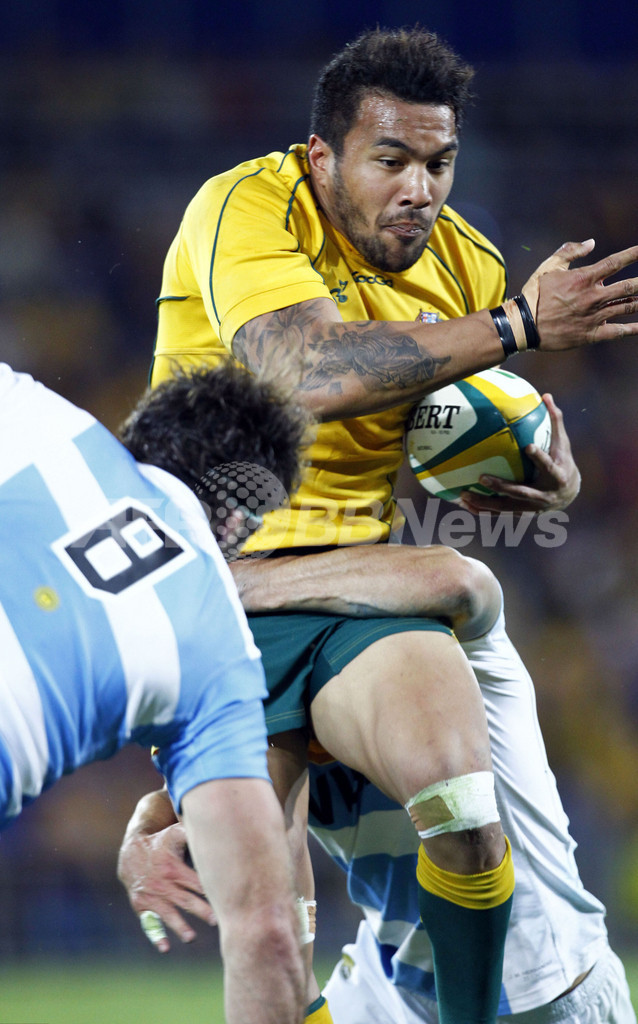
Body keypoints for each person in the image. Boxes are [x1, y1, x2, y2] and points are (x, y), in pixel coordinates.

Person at [145, 25, 638, 1024]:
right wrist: (516, 325)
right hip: (222, 609)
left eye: (439, 163)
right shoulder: (247, 207)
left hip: (356, 593)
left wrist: (542, 475)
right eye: (391, 160)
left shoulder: (468, 265)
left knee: (459, 807)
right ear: (322, 157)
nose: (420, 189)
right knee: (268, 933)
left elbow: (468, 426)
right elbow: (301, 371)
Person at [117, 568, 637, 1023]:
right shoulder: (252, 681)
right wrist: (143, 828)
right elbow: (202, 794)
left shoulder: (425, 617)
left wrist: (246, 583)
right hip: (391, 981)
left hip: (540, 984)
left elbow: (466, 581)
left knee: (457, 809)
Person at [0, 359, 309, 1024]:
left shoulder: (36, 417)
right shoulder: (226, 653)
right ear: (241, 521)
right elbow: (267, 933)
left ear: (139, 436)